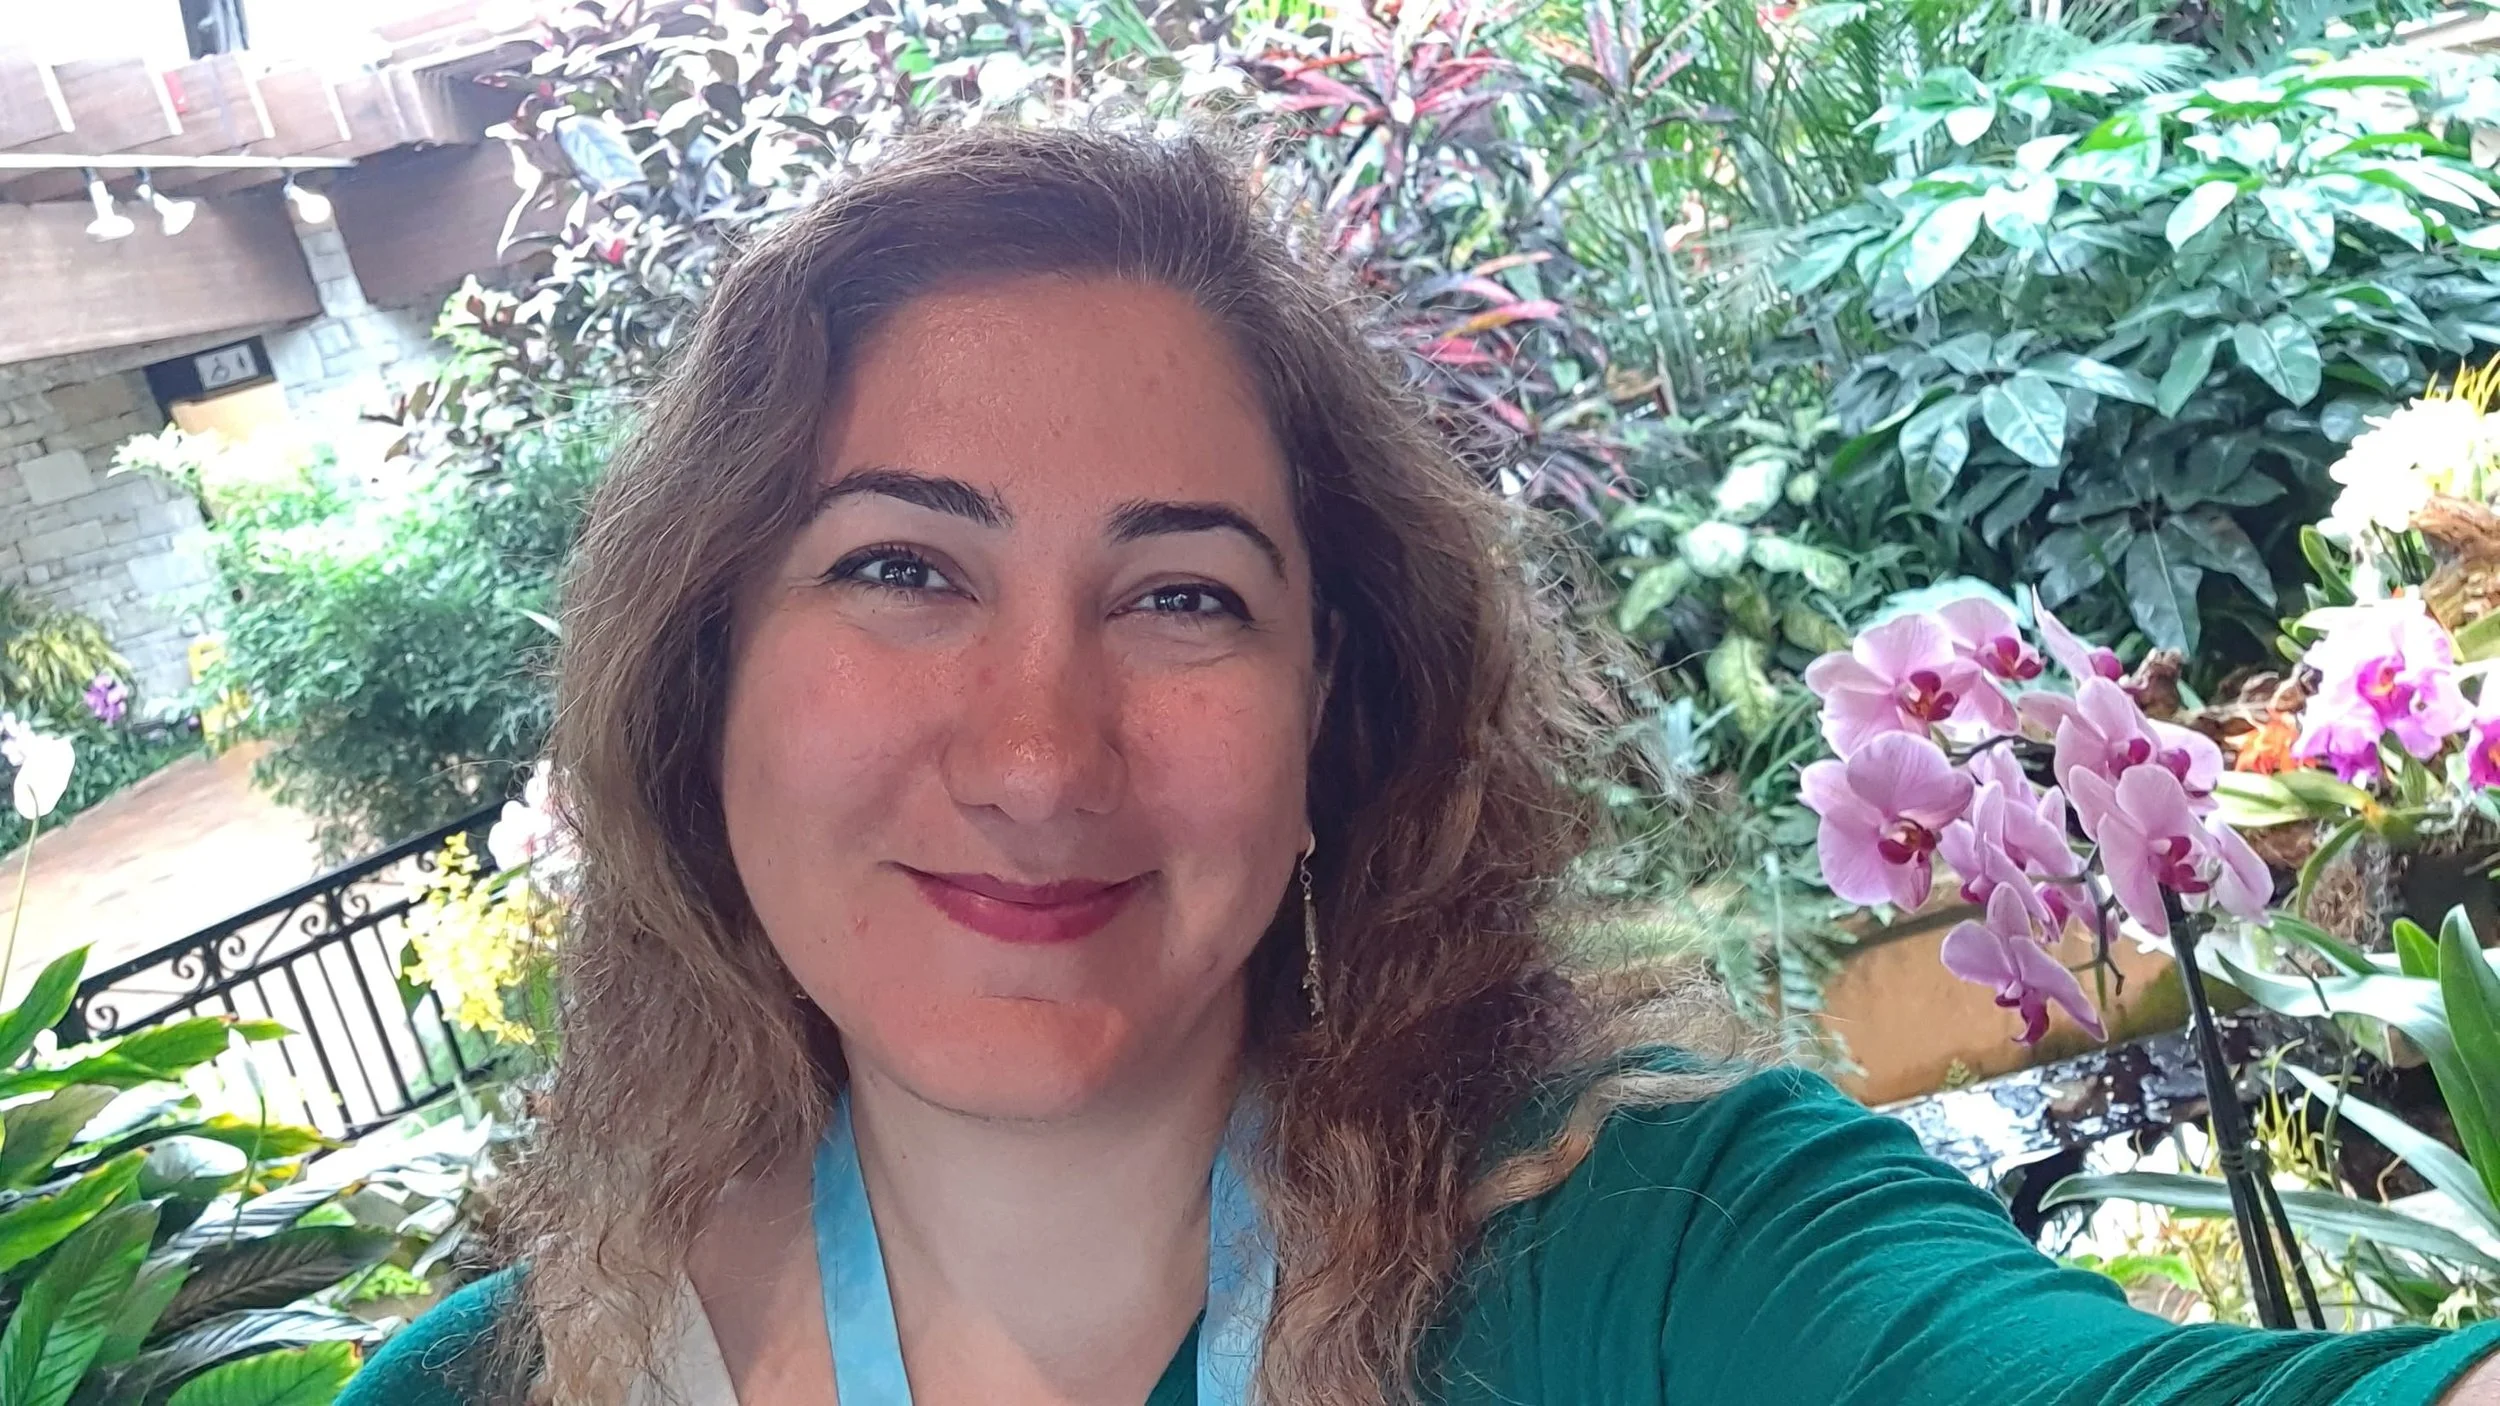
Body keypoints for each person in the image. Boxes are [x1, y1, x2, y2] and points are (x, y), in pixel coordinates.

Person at [338, 125, 2500, 1406]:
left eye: (1182, 596)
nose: (1031, 746)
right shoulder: (475, 1393)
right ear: (701, 677)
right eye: (901, 565)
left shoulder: (1656, 1251)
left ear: (1329, 731)